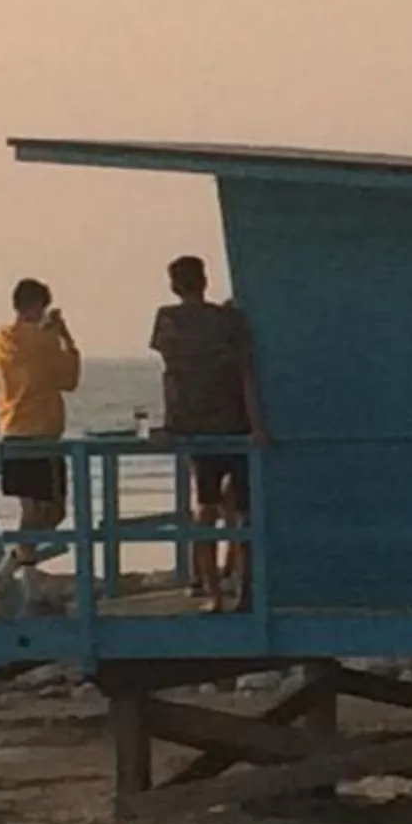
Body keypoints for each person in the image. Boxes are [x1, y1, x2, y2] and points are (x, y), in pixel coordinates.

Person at [149, 255, 263, 610]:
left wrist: (170, 424)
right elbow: (246, 373)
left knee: (206, 509)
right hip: (235, 423)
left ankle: (212, 595)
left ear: (173, 285)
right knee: (245, 513)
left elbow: (170, 376)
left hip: (195, 427)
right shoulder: (229, 320)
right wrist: (258, 424)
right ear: (205, 280)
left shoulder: (168, 320)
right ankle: (246, 593)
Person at [0, 278, 82, 573]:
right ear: (34, 307)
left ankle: (15, 561)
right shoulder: (43, 341)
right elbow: (68, 379)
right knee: (51, 510)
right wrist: (65, 338)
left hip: (12, 430)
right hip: (42, 433)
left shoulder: (1, 340)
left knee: (31, 506)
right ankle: (22, 566)